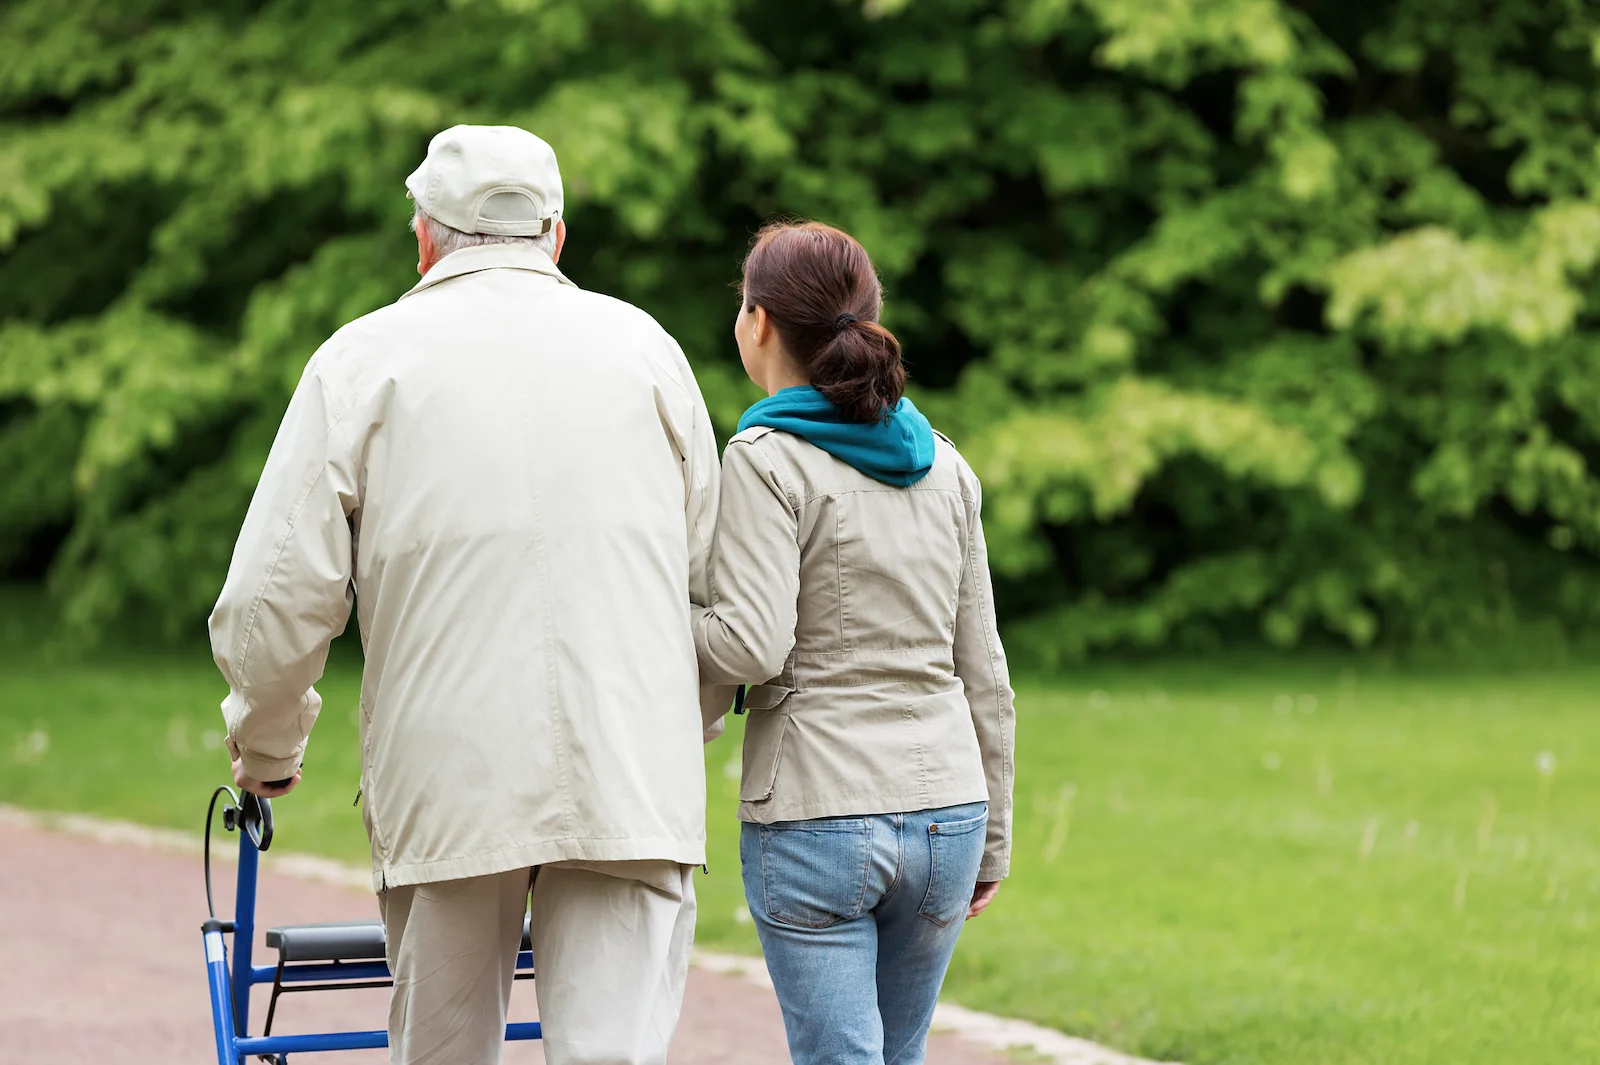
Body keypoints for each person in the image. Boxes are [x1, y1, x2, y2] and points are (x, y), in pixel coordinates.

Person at [208, 124, 728, 1065]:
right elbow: (713, 583)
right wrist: (677, 727)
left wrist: (267, 744)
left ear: (424, 236)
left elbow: (271, 599)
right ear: (557, 235)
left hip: (450, 779)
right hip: (631, 772)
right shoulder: (649, 352)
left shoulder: (362, 363)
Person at [694, 220, 1017, 1065]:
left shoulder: (766, 458)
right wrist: (997, 835)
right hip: (949, 809)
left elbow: (750, 645)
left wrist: (656, 614)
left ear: (758, 322)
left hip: (814, 811)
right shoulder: (946, 464)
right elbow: (984, 668)